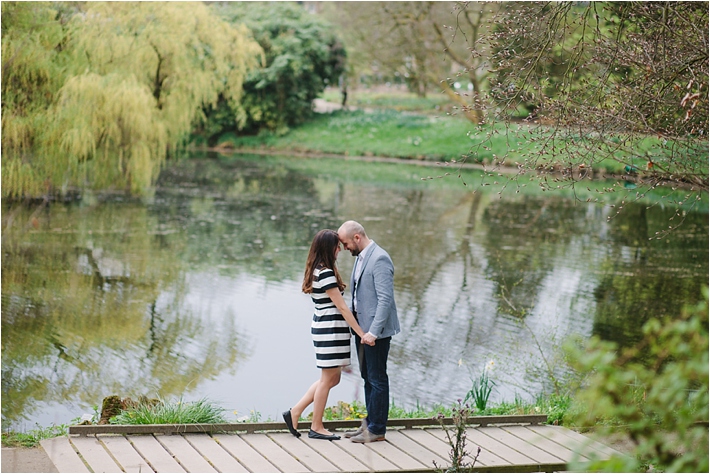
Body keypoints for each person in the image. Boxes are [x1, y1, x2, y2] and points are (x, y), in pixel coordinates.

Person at [282, 229, 373, 441]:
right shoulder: (325, 273)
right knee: (327, 379)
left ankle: (295, 412)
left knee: (332, 378)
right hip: (330, 329)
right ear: (328, 248)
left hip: (328, 327)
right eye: (337, 245)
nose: (340, 249)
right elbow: (342, 308)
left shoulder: (317, 270)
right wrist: (361, 333)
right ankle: (316, 426)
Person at [337, 220, 400, 443]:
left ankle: (377, 430)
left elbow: (385, 299)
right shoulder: (362, 257)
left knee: (377, 378)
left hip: (376, 333)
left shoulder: (380, 258)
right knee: (367, 377)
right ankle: (368, 424)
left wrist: (373, 332)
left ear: (357, 237)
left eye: (345, 243)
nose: (344, 248)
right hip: (362, 331)